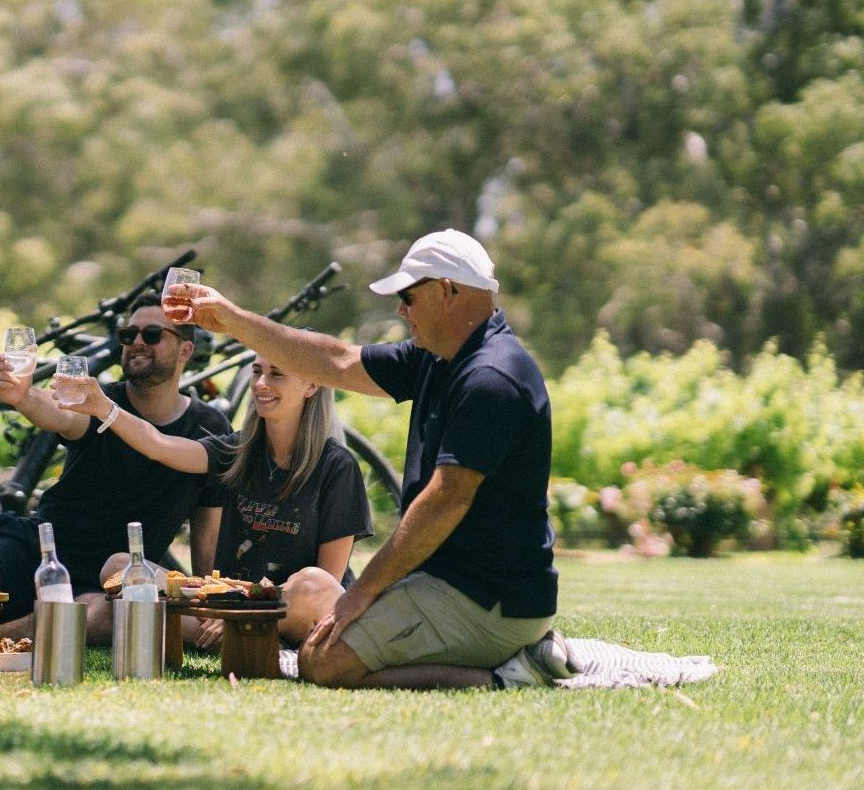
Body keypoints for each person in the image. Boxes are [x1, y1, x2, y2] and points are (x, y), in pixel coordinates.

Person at [173, 230, 573, 689]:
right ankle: (519, 658)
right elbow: (337, 361)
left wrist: (361, 593)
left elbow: (445, 503)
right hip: (452, 586)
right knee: (321, 642)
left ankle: (507, 674)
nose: (401, 310)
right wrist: (232, 320)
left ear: (446, 291)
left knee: (323, 662)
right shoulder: (440, 359)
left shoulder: (490, 378)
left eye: (408, 296)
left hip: (489, 601)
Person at [58, 352, 372, 647]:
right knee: (120, 566)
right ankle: (239, 634)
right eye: (257, 372)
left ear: (312, 385)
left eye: (276, 374)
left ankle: (235, 630)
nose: (261, 384)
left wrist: (251, 607)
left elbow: (328, 582)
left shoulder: (337, 467)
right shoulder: (237, 451)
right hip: (223, 606)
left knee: (311, 583)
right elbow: (159, 445)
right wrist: (104, 408)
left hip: (291, 608)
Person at [0, 294, 231, 641]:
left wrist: (210, 602)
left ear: (185, 351)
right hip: (39, 546)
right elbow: (62, 414)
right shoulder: (100, 401)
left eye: (152, 334)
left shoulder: (209, 425)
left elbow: (207, 532)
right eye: (128, 335)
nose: (137, 342)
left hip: (105, 579)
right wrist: (24, 397)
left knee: (106, 616)